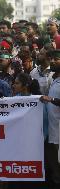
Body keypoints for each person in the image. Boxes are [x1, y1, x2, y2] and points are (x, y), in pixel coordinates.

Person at [41, 49, 60, 189]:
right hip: (52, 131)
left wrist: (51, 99)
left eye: (56, 59)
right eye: (51, 58)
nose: (52, 61)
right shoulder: (55, 79)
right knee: (54, 167)